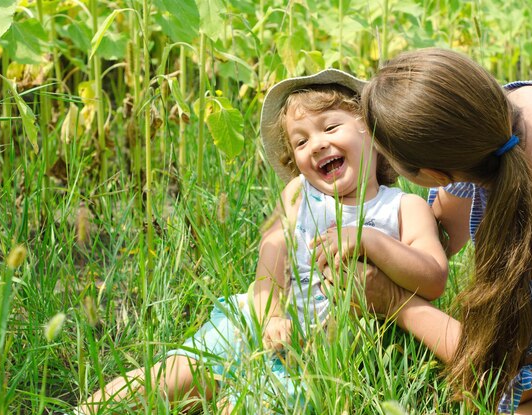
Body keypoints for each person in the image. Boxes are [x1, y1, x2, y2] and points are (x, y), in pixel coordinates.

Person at [76, 69, 448, 414]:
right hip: (264, 323)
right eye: (300, 141)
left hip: (324, 357)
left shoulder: (403, 207)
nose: (317, 144)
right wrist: (270, 314)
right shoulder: (296, 194)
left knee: (253, 405)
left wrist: (372, 241)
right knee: (179, 370)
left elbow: (433, 278)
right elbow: (271, 260)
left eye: (331, 127)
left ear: (372, 131)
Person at [355, 47, 532, 414]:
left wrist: (398, 304)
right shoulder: (497, 116)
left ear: (433, 176)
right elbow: (442, 231)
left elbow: (507, 383)